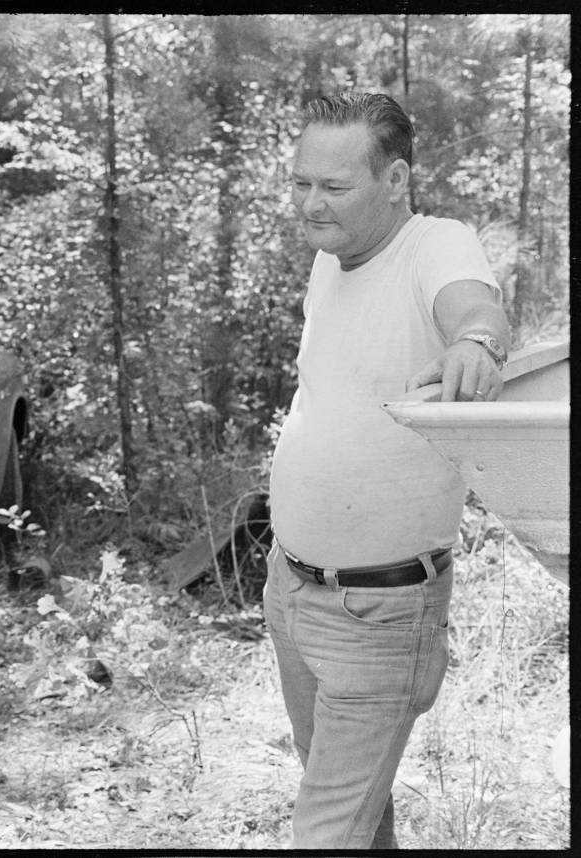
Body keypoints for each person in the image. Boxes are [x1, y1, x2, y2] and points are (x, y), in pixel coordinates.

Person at [264, 91, 511, 849]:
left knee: (323, 832)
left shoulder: (434, 243)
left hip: (379, 614)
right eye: (301, 182)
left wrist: (476, 342)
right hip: (291, 590)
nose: (311, 203)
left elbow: (473, 306)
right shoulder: (330, 258)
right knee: (353, 813)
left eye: (334, 187)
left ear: (396, 179)